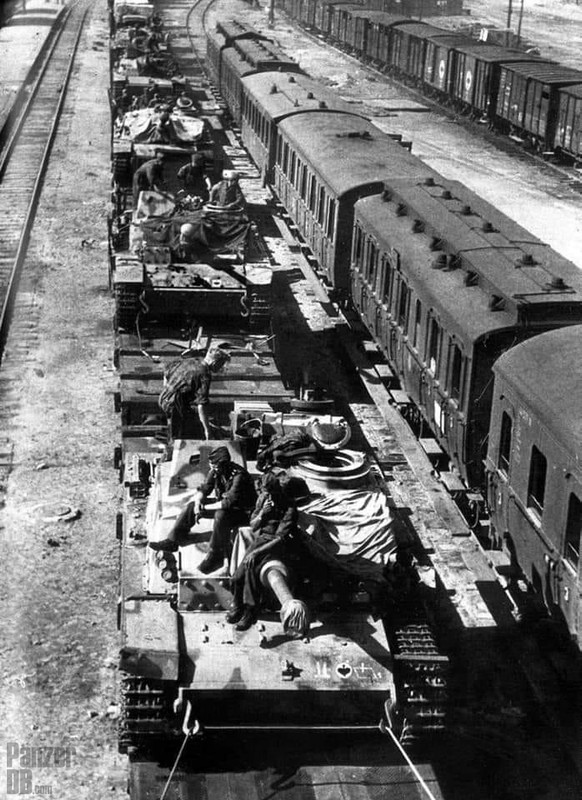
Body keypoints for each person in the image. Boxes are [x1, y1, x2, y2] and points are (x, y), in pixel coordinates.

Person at [150, 446, 257, 575]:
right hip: (228, 507)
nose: (212, 469)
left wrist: (204, 508)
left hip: (243, 513)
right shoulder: (217, 470)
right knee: (191, 507)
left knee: (220, 515)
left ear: (224, 465)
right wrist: (198, 503)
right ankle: (173, 540)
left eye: (215, 467)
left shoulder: (239, 476)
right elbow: (206, 488)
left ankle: (215, 556)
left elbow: (227, 503)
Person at [226, 473, 308, 631]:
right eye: (266, 493)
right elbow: (253, 525)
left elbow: (280, 538)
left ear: (278, 490)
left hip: (277, 546)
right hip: (261, 540)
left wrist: (256, 553)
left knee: (251, 567)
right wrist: (263, 513)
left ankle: (251, 611)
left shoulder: (289, 507)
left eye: (272, 493)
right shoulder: (263, 499)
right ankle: (237, 606)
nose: (269, 496)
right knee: (237, 577)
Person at [158, 345, 231, 442]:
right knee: (179, 437)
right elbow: (201, 405)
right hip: (174, 405)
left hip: (163, 398)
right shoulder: (204, 374)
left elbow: (167, 370)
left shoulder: (190, 360)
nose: (221, 368)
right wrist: (207, 430)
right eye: (221, 364)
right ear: (214, 362)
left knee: (180, 426)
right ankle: (172, 453)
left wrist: (168, 388)